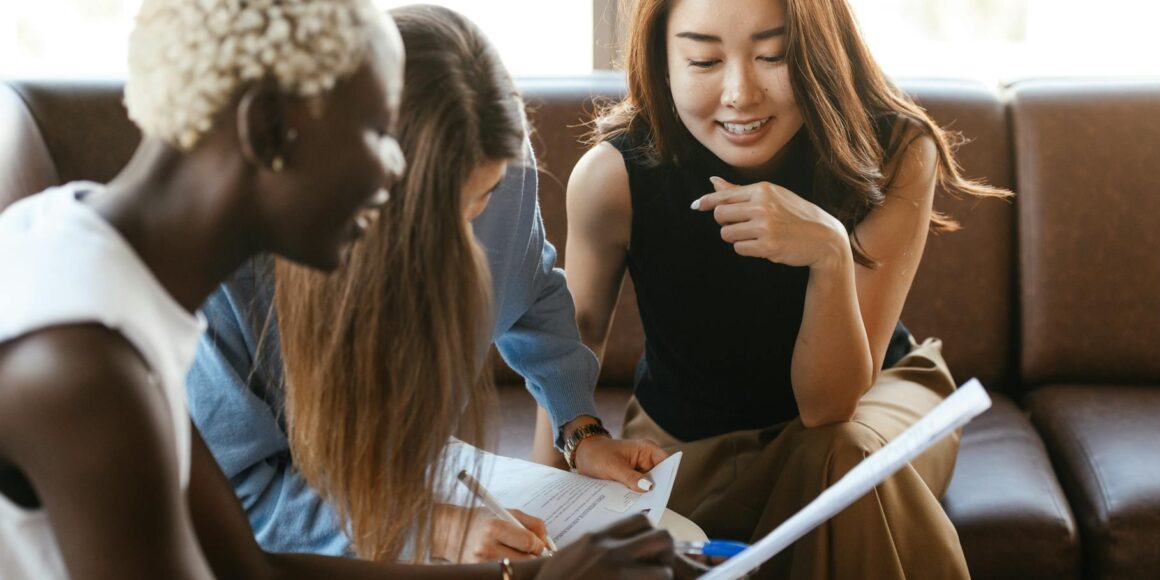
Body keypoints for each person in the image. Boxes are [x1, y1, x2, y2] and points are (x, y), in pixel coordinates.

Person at [0, 1, 680, 578]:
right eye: (375, 130)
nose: (392, 170)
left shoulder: (112, 274)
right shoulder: (79, 367)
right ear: (269, 131)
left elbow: (249, 567)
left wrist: (530, 572)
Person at [185, 4, 673, 565]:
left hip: (414, 487)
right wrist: (432, 529)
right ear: (361, 175)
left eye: (483, 197)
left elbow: (532, 292)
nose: (469, 235)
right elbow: (236, 498)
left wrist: (580, 431)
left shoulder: (505, 172)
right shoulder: (230, 268)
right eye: (442, 211)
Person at [537, 0, 1011, 578]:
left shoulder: (897, 152)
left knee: (841, 459)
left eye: (773, 55)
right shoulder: (612, 177)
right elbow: (572, 339)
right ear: (662, 64)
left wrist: (830, 254)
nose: (740, 92)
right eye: (704, 60)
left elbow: (828, 407)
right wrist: (539, 511)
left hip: (870, 405)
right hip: (687, 437)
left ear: (819, 51)